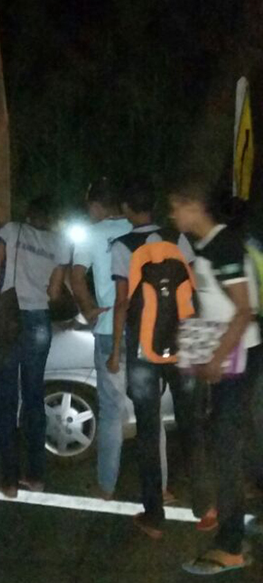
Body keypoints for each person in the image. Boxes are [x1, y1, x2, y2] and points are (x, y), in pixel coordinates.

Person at [110, 178, 212, 539]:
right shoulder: (178, 239)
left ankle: (154, 515)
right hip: (183, 344)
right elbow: (195, 290)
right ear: (152, 207)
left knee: (149, 430)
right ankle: (206, 505)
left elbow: (123, 301)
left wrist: (114, 353)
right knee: (191, 425)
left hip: (143, 349)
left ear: (126, 210)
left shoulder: (122, 246)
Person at [170, 177, 259, 575]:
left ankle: (231, 545)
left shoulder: (221, 245)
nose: (172, 214)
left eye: (177, 206)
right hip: (238, 356)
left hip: (236, 360)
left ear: (195, 206)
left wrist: (214, 361)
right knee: (243, 439)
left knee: (225, 449)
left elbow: (243, 311)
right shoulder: (213, 245)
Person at [0, 196, 71, 498]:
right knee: (34, 398)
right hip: (38, 323)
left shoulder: (11, 231)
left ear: (28, 214)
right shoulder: (61, 244)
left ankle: (8, 481)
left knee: (7, 401)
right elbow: (55, 292)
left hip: (8, 319)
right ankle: (36, 476)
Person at [70, 178, 132, 499]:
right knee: (149, 411)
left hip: (109, 328)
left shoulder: (92, 234)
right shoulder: (138, 227)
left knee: (111, 412)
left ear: (95, 205)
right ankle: (161, 488)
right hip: (145, 329)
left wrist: (90, 309)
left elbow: (75, 275)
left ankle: (106, 486)